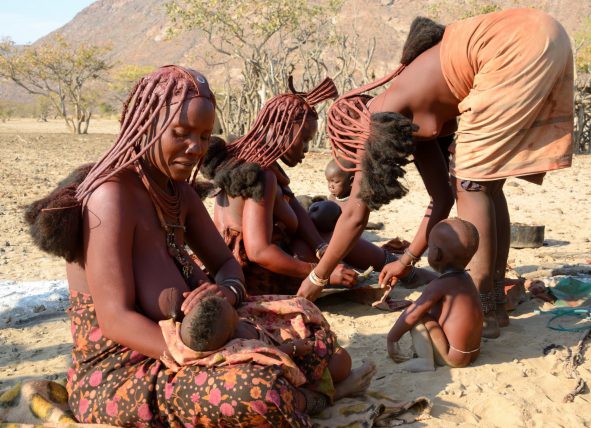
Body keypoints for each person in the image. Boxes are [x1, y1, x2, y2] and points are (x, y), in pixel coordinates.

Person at [24, 66, 371, 426]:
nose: (195, 148)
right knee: (256, 391)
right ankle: (309, 397)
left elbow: (227, 264)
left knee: (308, 323)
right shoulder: (110, 198)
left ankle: (303, 390)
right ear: (146, 125)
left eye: (205, 137)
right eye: (181, 133)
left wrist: (227, 293)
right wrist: (211, 354)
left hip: (203, 339)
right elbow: (116, 321)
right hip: (126, 368)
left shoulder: (178, 191)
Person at [299, 9, 573, 339]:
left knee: (471, 183)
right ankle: (495, 306)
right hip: (545, 35)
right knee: (483, 185)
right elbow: (441, 199)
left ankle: (483, 308)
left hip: (511, 48)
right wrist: (407, 260)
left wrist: (316, 279)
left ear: (349, 132)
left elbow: (355, 215)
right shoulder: (412, 114)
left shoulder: (378, 115)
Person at [202, 77, 416, 296]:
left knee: (325, 238)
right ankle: (404, 270)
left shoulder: (258, 162)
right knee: (334, 239)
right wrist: (320, 273)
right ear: (281, 129)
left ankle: (398, 266)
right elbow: (259, 252)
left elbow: (294, 206)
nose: (305, 149)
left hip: (244, 266)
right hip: (254, 276)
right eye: (304, 139)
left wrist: (319, 248)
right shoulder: (261, 175)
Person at [161, 290, 361, 395]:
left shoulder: (188, 339)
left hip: (273, 340)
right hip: (288, 364)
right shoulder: (242, 346)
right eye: (233, 314)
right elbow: (272, 355)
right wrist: (293, 347)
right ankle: (325, 393)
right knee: (341, 361)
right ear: (231, 333)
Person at [386, 218, 483, 371]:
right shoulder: (466, 279)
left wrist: (392, 338)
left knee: (417, 315)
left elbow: (411, 315)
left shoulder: (439, 286)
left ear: (436, 253)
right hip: (472, 353)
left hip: (452, 357)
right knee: (424, 311)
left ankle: (425, 360)